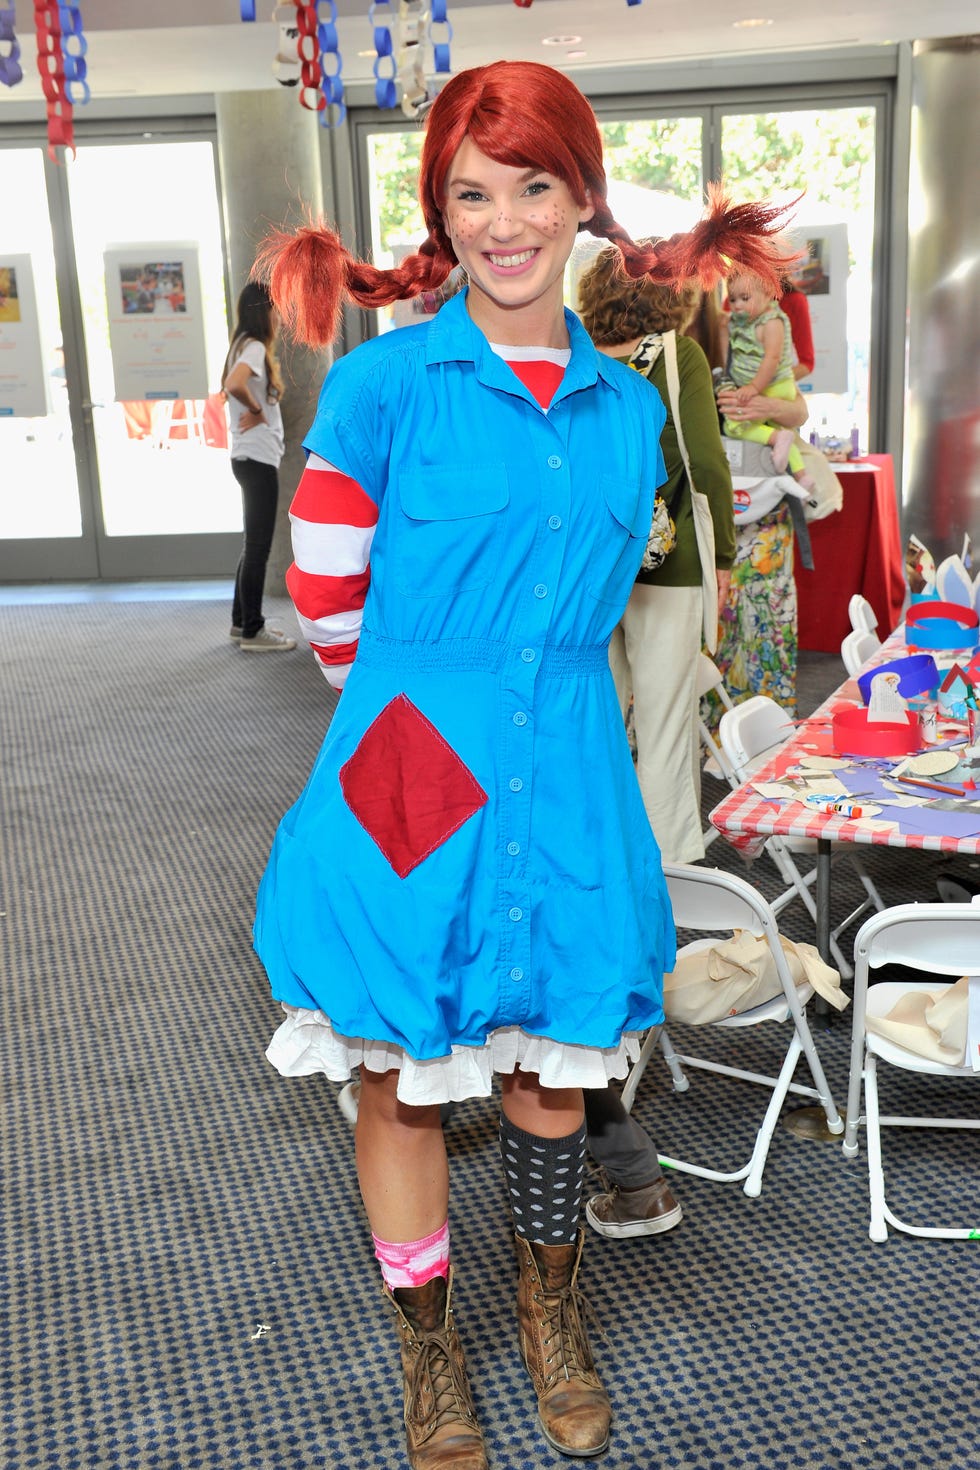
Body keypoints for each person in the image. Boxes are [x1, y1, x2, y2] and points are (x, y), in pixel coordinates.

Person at [250, 59, 793, 1470]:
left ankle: (553, 1316)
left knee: (553, 1065)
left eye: (534, 186)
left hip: (566, 764)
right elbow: (327, 605)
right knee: (402, 1065)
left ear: (579, 200)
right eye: (471, 192)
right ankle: (431, 1351)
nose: (504, 221)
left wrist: (518, 710)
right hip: (415, 760)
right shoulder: (380, 388)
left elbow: (611, 602)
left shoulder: (626, 415)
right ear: (441, 208)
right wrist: (421, 726)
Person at [221, 282, 296, 652]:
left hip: (247, 458)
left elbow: (231, 382)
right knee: (259, 547)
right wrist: (254, 409)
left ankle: (241, 623)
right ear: (261, 311)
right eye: (275, 308)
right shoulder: (252, 346)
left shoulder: (240, 345)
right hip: (256, 459)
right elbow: (234, 384)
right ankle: (253, 629)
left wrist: (254, 408)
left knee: (252, 545)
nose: (278, 316)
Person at [718, 270, 813, 488]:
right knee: (782, 436)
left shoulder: (772, 320)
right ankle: (802, 476)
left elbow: (775, 358)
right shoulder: (738, 315)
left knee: (737, 426)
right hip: (762, 387)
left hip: (771, 387)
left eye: (744, 298)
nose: (737, 305)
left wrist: (753, 387)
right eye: (733, 299)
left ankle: (794, 470)